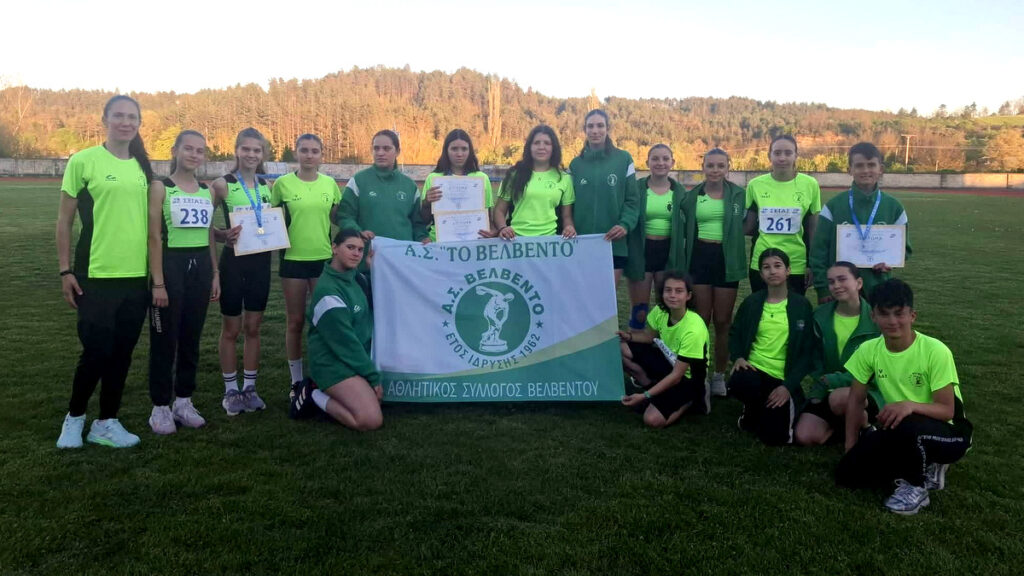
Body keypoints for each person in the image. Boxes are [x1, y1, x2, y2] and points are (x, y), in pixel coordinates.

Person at [56, 95, 154, 448]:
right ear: (105, 120)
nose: (126, 122)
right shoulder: (84, 161)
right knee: (95, 351)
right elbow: (64, 220)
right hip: (94, 275)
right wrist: (65, 271)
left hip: (135, 278)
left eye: (132, 117)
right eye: (119, 116)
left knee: (122, 354)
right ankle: (74, 419)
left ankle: (107, 422)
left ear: (139, 123)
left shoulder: (143, 168)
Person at [836, 279, 972, 515]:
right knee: (846, 475)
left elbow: (947, 411)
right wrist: (851, 446)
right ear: (873, 316)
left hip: (950, 433)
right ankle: (917, 463)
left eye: (899, 314)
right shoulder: (869, 350)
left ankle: (917, 486)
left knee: (909, 424)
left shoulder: (935, 351)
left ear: (912, 316)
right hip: (900, 428)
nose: (892, 321)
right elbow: (856, 400)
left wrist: (909, 405)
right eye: (884, 314)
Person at [146, 130, 219, 434]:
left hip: (200, 267)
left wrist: (215, 273)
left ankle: (184, 401)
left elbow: (209, 234)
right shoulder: (160, 187)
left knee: (191, 338)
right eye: (188, 149)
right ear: (175, 151)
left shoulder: (207, 191)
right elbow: (153, 236)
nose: (194, 155)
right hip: (170, 266)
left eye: (200, 151)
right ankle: (160, 406)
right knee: (164, 339)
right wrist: (158, 282)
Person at [289, 230, 382, 431]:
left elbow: (379, 300)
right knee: (370, 419)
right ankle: (314, 394)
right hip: (333, 362)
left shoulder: (356, 278)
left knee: (381, 400)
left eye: (360, 250)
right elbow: (345, 343)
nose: (356, 253)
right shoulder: (328, 291)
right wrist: (372, 376)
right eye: (350, 247)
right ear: (334, 248)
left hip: (354, 358)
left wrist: (373, 269)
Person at [674, 147, 747, 397]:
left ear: (728, 167)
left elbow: (748, 222)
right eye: (710, 165)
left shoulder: (739, 194)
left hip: (726, 261)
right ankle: (700, 374)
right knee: (701, 320)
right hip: (700, 259)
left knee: (723, 321)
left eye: (720, 165)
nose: (715, 170)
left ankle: (718, 375)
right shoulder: (691, 196)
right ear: (703, 167)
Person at [210, 128, 272, 416]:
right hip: (232, 265)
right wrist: (223, 235)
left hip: (261, 265)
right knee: (231, 329)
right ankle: (230, 390)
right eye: (246, 149)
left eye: (256, 150)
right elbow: (203, 227)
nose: (251, 154)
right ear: (236, 150)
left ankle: (249, 388)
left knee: (254, 328)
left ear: (262, 154)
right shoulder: (222, 185)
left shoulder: (266, 186)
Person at [272, 134, 342, 388]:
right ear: (296, 153)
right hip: (293, 260)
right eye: (304, 150)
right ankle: (296, 380)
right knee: (295, 321)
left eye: (314, 151)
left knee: (324, 319)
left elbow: (338, 218)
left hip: (323, 260)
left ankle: (325, 373)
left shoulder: (330, 184)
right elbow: (269, 218)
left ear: (321, 155)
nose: (309, 155)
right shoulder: (282, 184)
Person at [728, 248, 814, 445]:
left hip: (782, 377)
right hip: (754, 370)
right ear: (761, 274)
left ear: (788, 270)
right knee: (741, 381)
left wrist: (787, 386)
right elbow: (735, 333)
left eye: (777, 266)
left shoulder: (801, 305)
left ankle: (766, 408)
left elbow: (807, 351)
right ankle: (752, 407)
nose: (772, 271)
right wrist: (738, 357)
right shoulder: (752, 302)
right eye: (766, 267)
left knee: (774, 438)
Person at [809, 142, 911, 304]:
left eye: (871, 165)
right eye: (859, 166)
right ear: (849, 170)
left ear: (881, 169)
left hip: (878, 287)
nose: (865, 170)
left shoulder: (894, 207)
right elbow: (818, 251)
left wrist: (889, 262)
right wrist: (822, 288)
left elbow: (904, 249)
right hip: (839, 289)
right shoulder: (833, 206)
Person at [794, 262, 881, 446]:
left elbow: (877, 368)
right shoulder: (819, 315)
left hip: (869, 391)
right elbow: (814, 357)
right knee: (804, 436)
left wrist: (832, 380)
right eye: (831, 281)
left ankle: (866, 427)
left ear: (859, 283)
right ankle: (855, 429)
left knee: (840, 398)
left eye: (842, 279)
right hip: (827, 387)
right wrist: (820, 381)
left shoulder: (876, 319)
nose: (836, 286)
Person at [619, 272, 711, 427]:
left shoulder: (693, 329)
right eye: (668, 290)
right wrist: (628, 336)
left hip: (687, 378)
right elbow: (650, 337)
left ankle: (694, 399)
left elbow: (677, 376)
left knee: (651, 420)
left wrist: (644, 396)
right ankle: (651, 387)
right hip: (669, 363)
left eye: (679, 291)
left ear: (688, 296)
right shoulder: (660, 311)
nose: (672, 295)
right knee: (620, 348)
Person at [569, 109, 640, 283]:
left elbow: (632, 200)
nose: (595, 131)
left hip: (613, 244)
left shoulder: (624, 159)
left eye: (600, 126)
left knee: (606, 297)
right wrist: (569, 226)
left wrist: (624, 225)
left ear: (608, 128)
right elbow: (567, 204)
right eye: (590, 126)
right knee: (582, 294)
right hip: (580, 243)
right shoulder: (575, 165)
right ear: (584, 130)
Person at [745, 135, 821, 295]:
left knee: (793, 308)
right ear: (769, 156)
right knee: (761, 306)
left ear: (796, 155)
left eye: (788, 153)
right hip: (762, 261)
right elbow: (748, 226)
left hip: (796, 262)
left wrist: (812, 263)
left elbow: (813, 228)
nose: (782, 158)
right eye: (777, 153)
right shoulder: (755, 185)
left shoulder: (810, 184)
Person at [337, 129, 428, 246]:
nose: (380, 153)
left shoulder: (410, 186)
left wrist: (422, 238)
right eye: (376, 148)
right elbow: (344, 216)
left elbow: (418, 224)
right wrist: (358, 233)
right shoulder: (358, 181)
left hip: (402, 253)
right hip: (368, 252)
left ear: (397, 151)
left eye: (386, 148)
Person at [625, 144, 680, 331]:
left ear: (672, 162)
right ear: (647, 162)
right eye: (655, 159)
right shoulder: (636, 188)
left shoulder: (680, 192)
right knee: (639, 310)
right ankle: (634, 345)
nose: (660, 163)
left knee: (665, 308)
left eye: (665, 158)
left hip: (667, 252)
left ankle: (660, 345)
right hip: (641, 251)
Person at [493, 125, 577, 240]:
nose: (541, 147)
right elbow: (499, 210)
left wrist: (569, 227)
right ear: (529, 147)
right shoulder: (514, 175)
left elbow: (567, 216)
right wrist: (503, 228)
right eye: (536, 143)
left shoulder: (564, 178)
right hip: (515, 241)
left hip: (549, 242)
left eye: (547, 143)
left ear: (554, 148)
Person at [420, 129, 495, 240]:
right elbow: (424, 220)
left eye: (464, 149)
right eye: (454, 149)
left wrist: (492, 231)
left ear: (470, 151)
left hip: (474, 239)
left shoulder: (482, 179)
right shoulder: (433, 178)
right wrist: (426, 202)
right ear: (446, 151)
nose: (459, 154)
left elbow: (488, 218)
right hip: (439, 240)